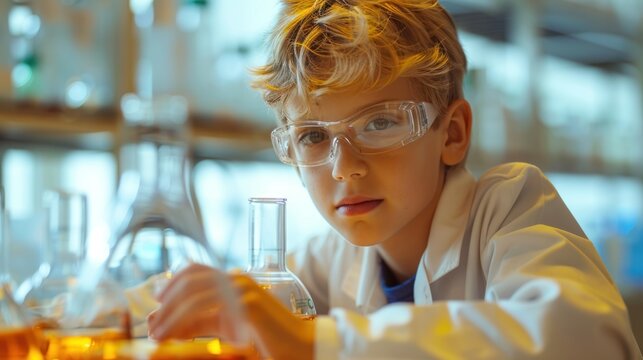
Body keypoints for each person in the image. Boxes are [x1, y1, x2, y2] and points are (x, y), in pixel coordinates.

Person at [147, 0, 642, 358]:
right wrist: (82, 305)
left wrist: (311, 342)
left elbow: (586, 340)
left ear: (452, 132)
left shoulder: (508, 208)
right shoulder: (332, 258)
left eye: (380, 123)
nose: (344, 167)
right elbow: (198, 298)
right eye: (313, 136)